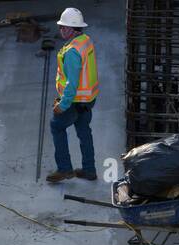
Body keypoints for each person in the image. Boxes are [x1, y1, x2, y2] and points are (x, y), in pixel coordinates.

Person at [45, 8, 98, 185]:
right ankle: (89, 170)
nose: (60, 30)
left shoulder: (72, 52)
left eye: (63, 27)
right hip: (88, 100)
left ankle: (64, 169)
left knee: (56, 127)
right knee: (84, 131)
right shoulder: (85, 41)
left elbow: (72, 84)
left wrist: (63, 104)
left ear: (71, 29)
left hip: (74, 102)